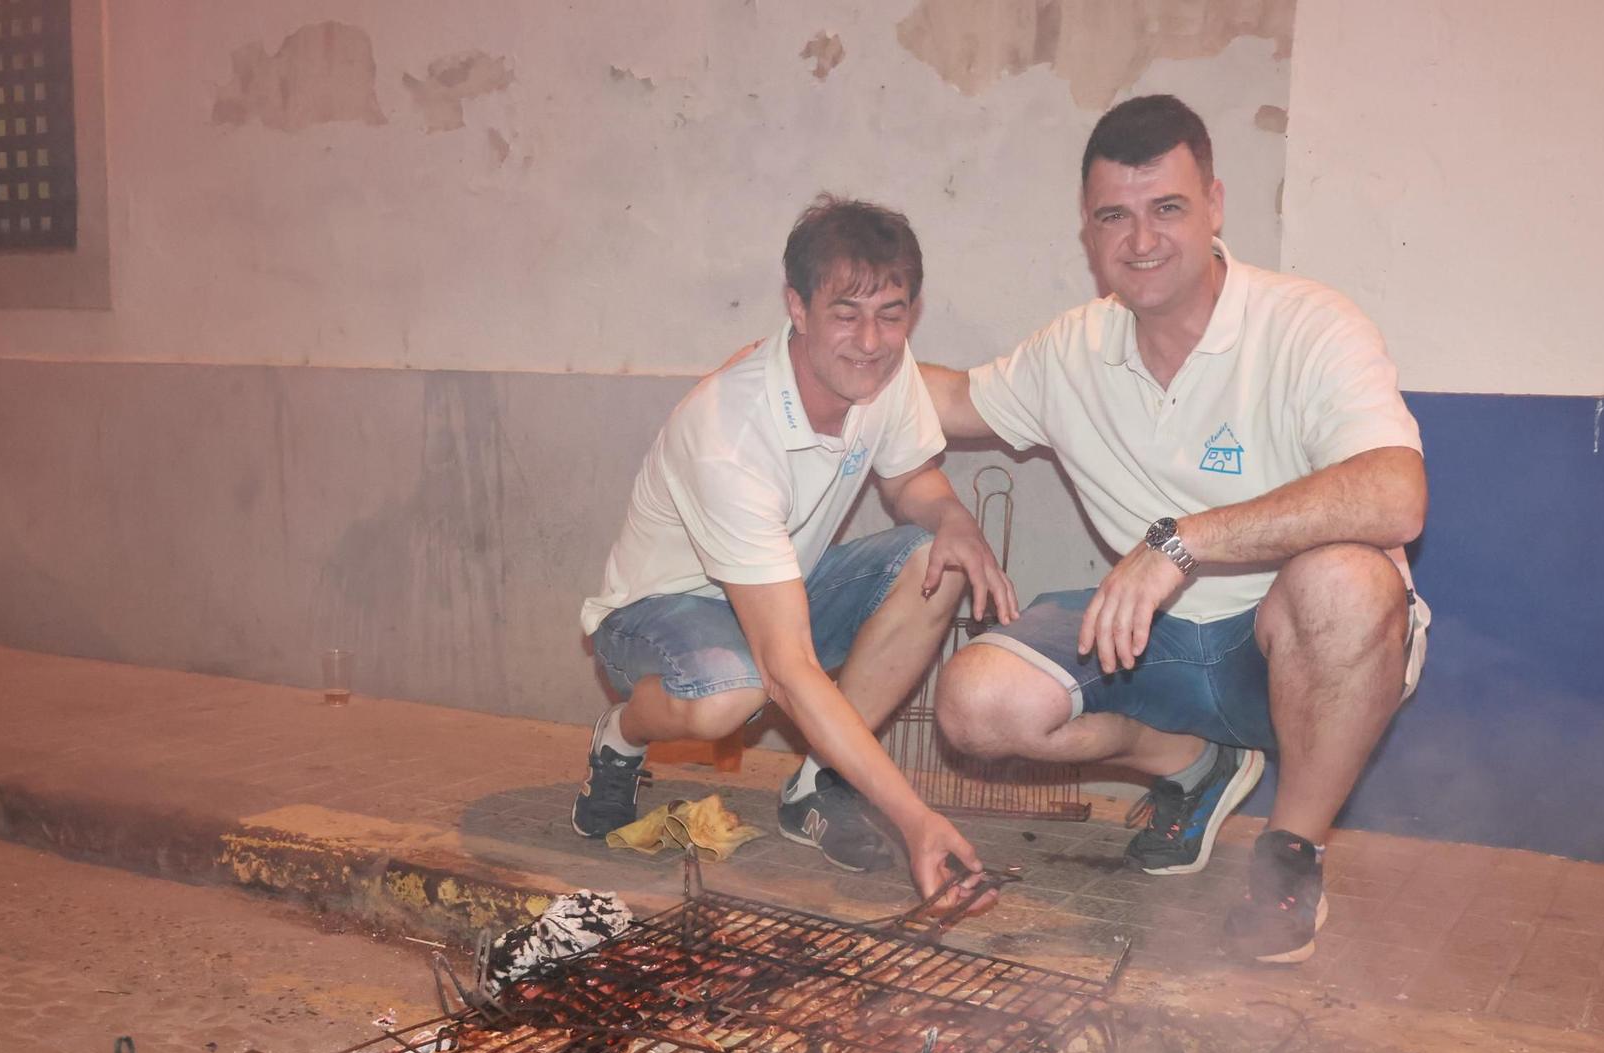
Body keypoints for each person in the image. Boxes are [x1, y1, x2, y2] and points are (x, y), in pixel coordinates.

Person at [922, 94, 1429, 964]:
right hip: (1150, 641)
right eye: (1113, 216)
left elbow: (1396, 493)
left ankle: (1289, 854)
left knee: (1347, 579)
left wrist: (1180, 542)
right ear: (1088, 232)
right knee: (974, 704)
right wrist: (824, 351)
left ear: (1216, 205)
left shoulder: (1306, 325)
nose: (1141, 240)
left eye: (1167, 209)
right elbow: (957, 398)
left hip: (1282, 643)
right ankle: (1193, 764)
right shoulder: (1072, 349)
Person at [575, 195, 1017, 902]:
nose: (871, 340)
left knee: (936, 559)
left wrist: (953, 518)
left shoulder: (886, 374)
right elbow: (786, 669)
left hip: (777, 586)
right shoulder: (731, 432)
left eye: (892, 313)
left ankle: (817, 785)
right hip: (655, 613)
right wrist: (915, 819)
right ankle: (620, 737)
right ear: (798, 307)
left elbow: (909, 476)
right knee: (739, 687)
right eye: (846, 312)